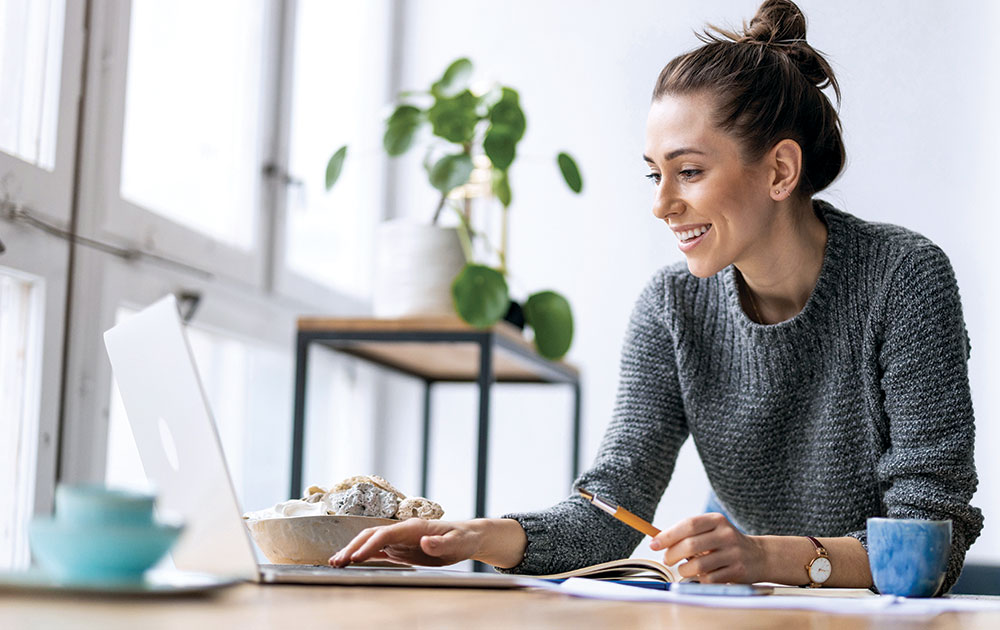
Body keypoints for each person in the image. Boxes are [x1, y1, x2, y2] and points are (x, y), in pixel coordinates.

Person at [331, 0, 982, 593]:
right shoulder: (672, 308)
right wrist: (478, 538)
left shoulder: (903, 278)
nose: (662, 204)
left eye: (689, 172)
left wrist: (762, 557)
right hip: (747, 606)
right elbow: (613, 510)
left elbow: (929, 543)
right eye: (655, 174)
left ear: (780, 170)